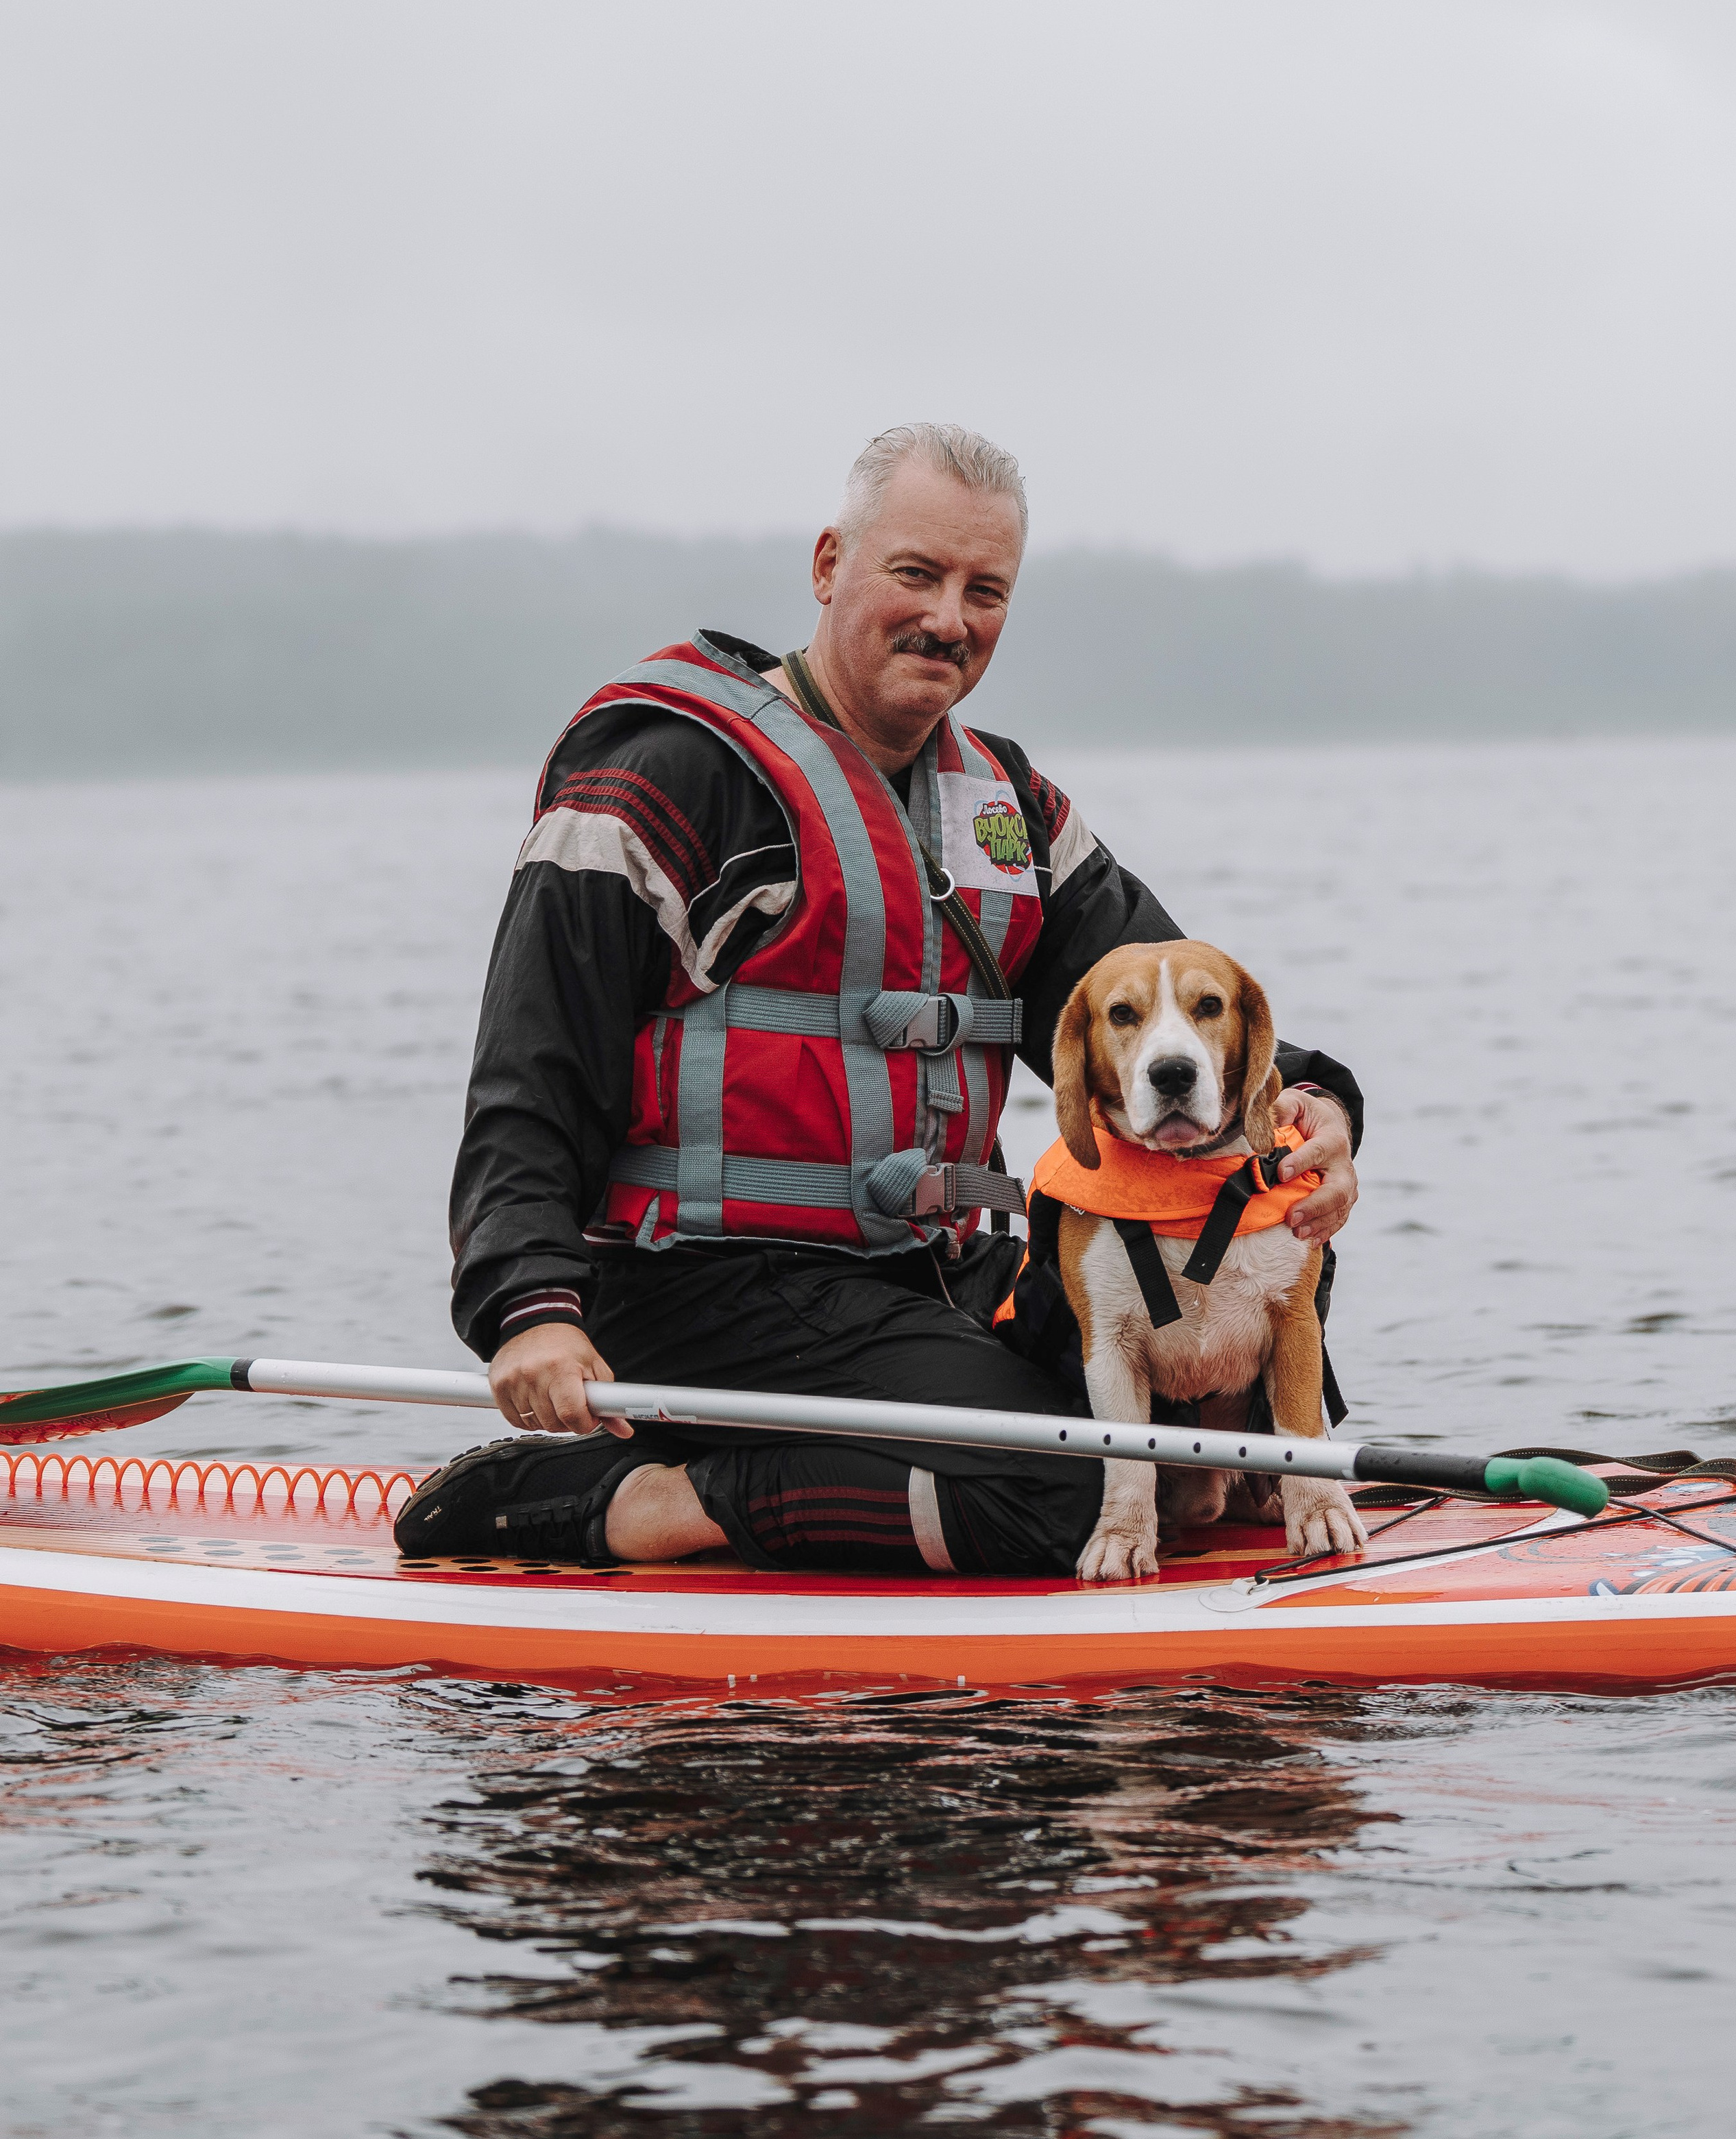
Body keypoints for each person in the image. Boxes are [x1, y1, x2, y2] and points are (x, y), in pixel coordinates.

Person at [397, 424, 1362, 1577]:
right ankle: (634, 1501)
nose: (950, 618)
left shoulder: (1008, 807)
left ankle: (1199, 1468)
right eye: (917, 573)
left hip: (928, 1273)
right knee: (1064, 1488)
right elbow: (527, 1074)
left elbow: (1177, 1008)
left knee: (1248, 1290)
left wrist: (1314, 1105)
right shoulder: (664, 777)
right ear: (827, 566)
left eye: (985, 590)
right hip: (700, 1292)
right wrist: (530, 1305)